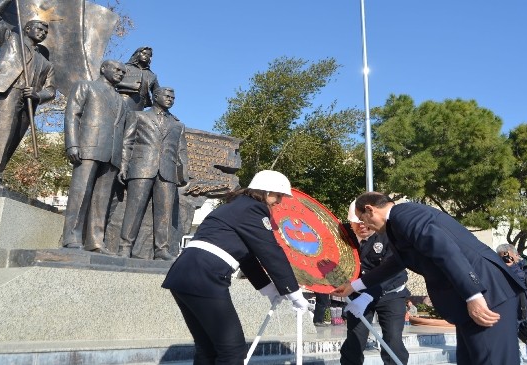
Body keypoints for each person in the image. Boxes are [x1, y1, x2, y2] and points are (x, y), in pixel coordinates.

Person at [333, 192, 526, 365]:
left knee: (491, 359)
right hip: (470, 296)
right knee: (470, 358)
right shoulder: (396, 226)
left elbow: (445, 250)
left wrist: (473, 295)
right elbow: (394, 264)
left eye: (362, 219)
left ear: (370, 209)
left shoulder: (404, 214)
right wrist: (354, 286)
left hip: (487, 291)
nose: (364, 225)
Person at [162, 170, 310, 364]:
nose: (279, 201)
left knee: (208, 348)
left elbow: (248, 258)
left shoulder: (235, 207)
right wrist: (294, 292)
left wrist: (270, 290)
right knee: (232, 350)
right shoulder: (255, 208)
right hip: (205, 276)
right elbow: (271, 252)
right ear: (265, 193)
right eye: (279, 195)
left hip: (183, 275)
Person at [0, 0, 56, 188]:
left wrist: (38, 95)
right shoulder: (11, 39)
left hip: (29, 101)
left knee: (12, 141)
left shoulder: (47, 63)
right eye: (39, 28)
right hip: (8, 92)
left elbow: (51, 90)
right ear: (27, 29)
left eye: (45, 31)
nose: (43, 32)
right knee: (1, 135)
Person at [61, 60, 127, 254]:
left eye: (123, 72)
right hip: (88, 148)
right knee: (80, 194)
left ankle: (95, 241)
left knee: (102, 200)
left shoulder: (121, 100)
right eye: (117, 69)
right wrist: (72, 144)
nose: (120, 74)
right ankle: (71, 237)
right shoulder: (86, 86)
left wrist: (122, 160)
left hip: (112, 154)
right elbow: (72, 115)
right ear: (103, 69)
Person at [118, 87, 189, 260]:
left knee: (164, 212)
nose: (170, 99)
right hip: (141, 167)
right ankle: (125, 247)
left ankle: (161, 250)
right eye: (167, 96)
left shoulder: (178, 125)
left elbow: (182, 151)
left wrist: (183, 175)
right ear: (155, 97)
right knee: (134, 208)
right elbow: (127, 142)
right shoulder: (139, 116)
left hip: (168, 172)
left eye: (173, 97)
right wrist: (123, 166)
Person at [339, 199, 409, 365]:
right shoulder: (344, 236)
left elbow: (391, 271)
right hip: (359, 293)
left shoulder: (388, 234)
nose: (362, 226)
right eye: (356, 223)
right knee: (355, 339)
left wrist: (368, 295)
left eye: (364, 222)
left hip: (390, 293)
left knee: (392, 340)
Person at [496, 244, 527, 365]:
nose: (504, 259)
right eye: (501, 257)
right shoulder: (500, 268)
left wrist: (512, 266)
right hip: (508, 312)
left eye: (506, 256)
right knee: (511, 346)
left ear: (515, 254)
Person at [116, 46, 160, 111]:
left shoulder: (152, 75)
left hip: (139, 105)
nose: (146, 56)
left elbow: (158, 93)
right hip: (122, 99)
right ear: (137, 54)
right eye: (144, 53)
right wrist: (130, 85)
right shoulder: (125, 67)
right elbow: (112, 81)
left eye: (149, 55)